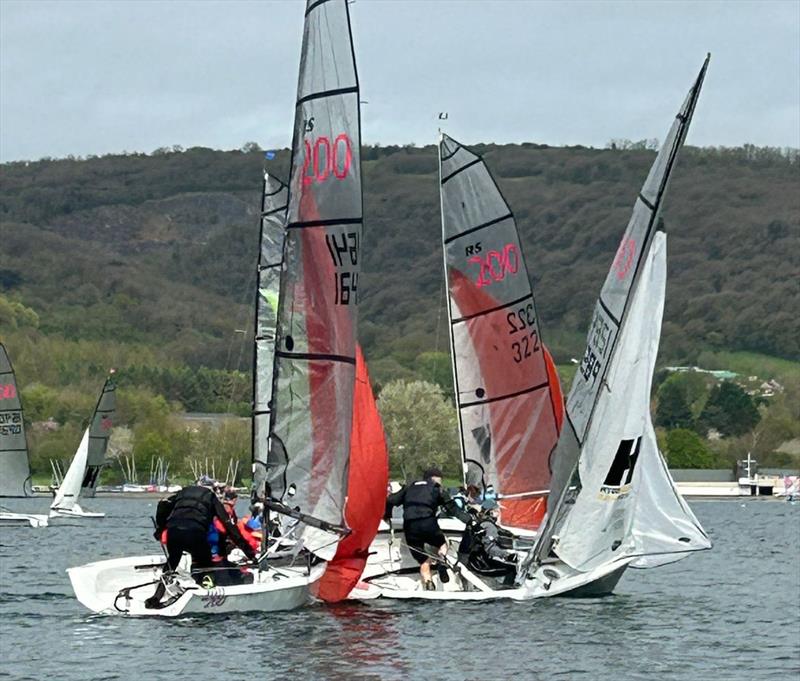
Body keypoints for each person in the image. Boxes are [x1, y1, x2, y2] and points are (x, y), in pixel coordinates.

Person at [145, 477, 257, 608]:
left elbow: (162, 504)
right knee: (206, 562)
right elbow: (231, 529)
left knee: (172, 562)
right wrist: (250, 554)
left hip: (173, 532)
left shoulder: (182, 493)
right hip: (195, 533)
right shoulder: (210, 497)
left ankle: (156, 597)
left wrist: (160, 528)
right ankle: (206, 588)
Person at [385, 466, 450, 591]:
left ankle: (429, 584)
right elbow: (451, 507)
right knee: (442, 545)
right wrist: (469, 520)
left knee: (424, 560)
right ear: (434, 479)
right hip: (428, 524)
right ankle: (442, 561)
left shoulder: (409, 487)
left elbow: (391, 500)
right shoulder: (436, 489)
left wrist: (387, 516)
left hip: (410, 527)